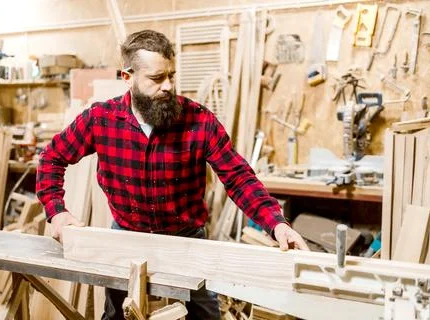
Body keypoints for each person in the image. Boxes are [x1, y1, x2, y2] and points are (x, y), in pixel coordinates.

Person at [36, 29, 309, 320]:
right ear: (128, 77)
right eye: (156, 79)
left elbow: (238, 177)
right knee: (118, 315)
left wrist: (276, 223)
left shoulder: (199, 121)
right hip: (126, 239)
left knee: (204, 315)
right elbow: (52, 158)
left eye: (171, 75)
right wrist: (57, 212)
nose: (168, 86)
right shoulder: (101, 119)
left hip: (187, 241)